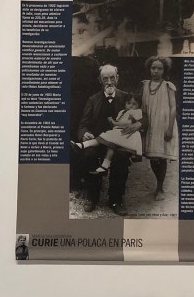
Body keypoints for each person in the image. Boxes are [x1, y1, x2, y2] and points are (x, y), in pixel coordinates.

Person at [74, 64, 142, 215]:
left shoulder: (126, 97)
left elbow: (144, 114)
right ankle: (92, 196)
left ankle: (116, 199)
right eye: (105, 79)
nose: (109, 82)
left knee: (121, 157)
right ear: (100, 80)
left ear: (118, 78)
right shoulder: (93, 99)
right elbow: (82, 124)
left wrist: (139, 124)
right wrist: (84, 133)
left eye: (112, 78)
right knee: (89, 155)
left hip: (119, 142)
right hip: (99, 140)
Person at [71, 94, 143, 175]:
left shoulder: (136, 112)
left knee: (106, 139)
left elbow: (127, 123)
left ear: (138, 105)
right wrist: (112, 122)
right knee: (109, 144)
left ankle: (82, 145)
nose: (131, 106)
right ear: (125, 103)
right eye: (129, 103)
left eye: (134, 104)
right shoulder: (122, 112)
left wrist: (115, 122)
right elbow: (116, 125)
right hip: (118, 133)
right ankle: (103, 164)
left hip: (126, 134)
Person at [141, 56, 178, 201]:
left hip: (163, 124)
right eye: (153, 68)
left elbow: (173, 107)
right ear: (149, 69)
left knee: (160, 157)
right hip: (150, 124)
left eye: (159, 68)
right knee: (152, 156)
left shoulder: (168, 86)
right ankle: (158, 184)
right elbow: (143, 107)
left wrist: (169, 129)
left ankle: (160, 187)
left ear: (164, 70)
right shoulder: (145, 85)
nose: (156, 71)